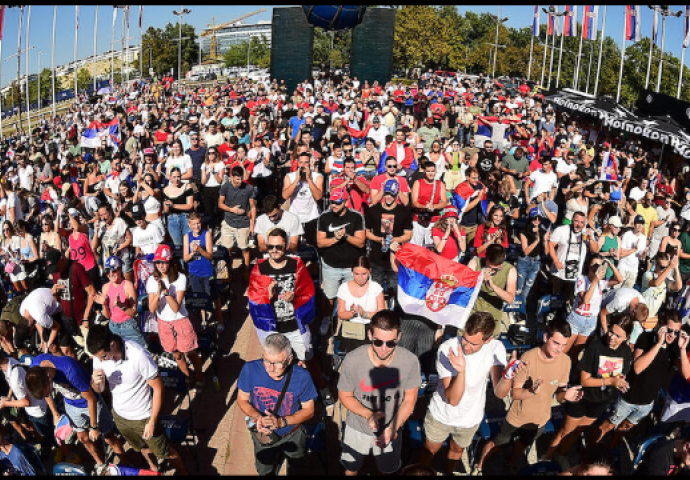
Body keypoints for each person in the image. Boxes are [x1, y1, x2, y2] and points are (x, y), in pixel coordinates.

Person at [474, 318, 584, 475]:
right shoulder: (528, 358)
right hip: (517, 416)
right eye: (556, 343)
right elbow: (514, 393)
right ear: (546, 337)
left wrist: (566, 396)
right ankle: (480, 466)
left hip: (540, 420)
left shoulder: (565, 361)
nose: (559, 349)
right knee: (497, 443)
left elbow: (559, 396)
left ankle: (511, 464)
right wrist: (530, 391)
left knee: (521, 445)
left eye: (564, 345)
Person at [419, 312, 512, 475]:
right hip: (441, 414)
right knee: (429, 452)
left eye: (473, 344)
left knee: (456, 451)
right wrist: (461, 372)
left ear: (488, 340)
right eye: (465, 339)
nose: (466, 346)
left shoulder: (496, 348)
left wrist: (508, 376)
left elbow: (500, 393)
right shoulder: (447, 349)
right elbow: (452, 399)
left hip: (469, 417)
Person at [87, 325, 187, 475]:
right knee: (142, 448)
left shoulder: (137, 355)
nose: (101, 360)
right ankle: (154, 469)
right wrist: (95, 383)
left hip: (143, 417)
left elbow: (159, 388)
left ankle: (183, 472)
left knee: (166, 452)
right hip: (120, 416)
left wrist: (152, 421)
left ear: (112, 345)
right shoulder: (98, 357)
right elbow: (100, 390)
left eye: (103, 356)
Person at [543, 315, 634, 467]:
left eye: (618, 336)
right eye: (611, 331)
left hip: (601, 401)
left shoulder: (625, 352)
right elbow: (585, 380)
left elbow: (621, 374)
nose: (611, 337)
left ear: (627, 337)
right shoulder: (596, 345)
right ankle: (546, 458)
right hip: (582, 397)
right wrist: (610, 381)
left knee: (578, 431)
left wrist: (620, 382)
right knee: (565, 431)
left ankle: (561, 455)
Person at [338, 310, 420, 476]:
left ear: (398, 337)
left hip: (391, 427)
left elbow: (409, 400)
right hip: (357, 427)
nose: (383, 349)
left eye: (390, 343)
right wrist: (368, 414)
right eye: (378, 342)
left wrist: (393, 427)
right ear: (370, 334)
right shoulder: (353, 360)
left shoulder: (410, 361)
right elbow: (344, 396)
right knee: (351, 468)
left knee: (387, 469)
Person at [589, 310, 682, 451]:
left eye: (676, 332)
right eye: (669, 330)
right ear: (662, 325)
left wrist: (682, 348)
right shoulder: (646, 338)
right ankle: (589, 452)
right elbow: (637, 368)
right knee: (607, 426)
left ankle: (609, 451)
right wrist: (658, 345)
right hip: (629, 398)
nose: (672, 335)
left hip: (647, 403)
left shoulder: (675, 348)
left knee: (623, 429)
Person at [25, 354, 126, 471]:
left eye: (48, 391)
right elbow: (46, 394)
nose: (49, 395)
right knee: (83, 438)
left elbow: (91, 399)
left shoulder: (70, 371)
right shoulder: (35, 370)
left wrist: (93, 427)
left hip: (89, 402)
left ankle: (126, 464)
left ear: (48, 377)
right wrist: (55, 413)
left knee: (109, 437)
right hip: (70, 404)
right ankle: (100, 464)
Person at [237, 333, 317, 476]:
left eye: (277, 363)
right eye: (266, 361)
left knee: (296, 468)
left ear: (289, 359)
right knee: (264, 470)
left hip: (292, 433)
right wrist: (258, 417)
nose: (270, 368)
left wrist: (281, 422)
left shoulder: (302, 376)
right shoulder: (250, 369)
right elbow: (242, 400)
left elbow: (309, 410)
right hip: (263, 434)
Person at [146, 244, 204, 389]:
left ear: (170, 262)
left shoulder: (180, 278)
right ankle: (187, 377)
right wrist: (159, 292)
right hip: (164, 322)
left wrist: (166, 292)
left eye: (164, 262)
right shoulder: (151, 281)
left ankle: (200, 376)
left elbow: (176, 307)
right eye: (158, 262)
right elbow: (152, 308)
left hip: (180, 320)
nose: (160, 266)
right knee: (177, 354)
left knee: (190, 352)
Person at [564, 255, 622, 360]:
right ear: (588, 266)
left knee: (576, 351)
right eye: (594, 265)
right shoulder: (581, 279)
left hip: (591, 320)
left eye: (599, 265)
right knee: (564, 348)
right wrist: (594, 281)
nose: (597, 267)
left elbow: (619, 280)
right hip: (577, 318)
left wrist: (611, 265)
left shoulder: (602, 282)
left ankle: (569, 371)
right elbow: (585, 300)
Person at [316, 188, 366, 309]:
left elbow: (361, 243)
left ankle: (347, 323)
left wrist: (346, 236)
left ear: (346, 202)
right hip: (330, 266)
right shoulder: (324, 217)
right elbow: (320, 243)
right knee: (329, 297)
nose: (334, 205)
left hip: (351, 267)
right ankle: (327, 321)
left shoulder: (356, 217)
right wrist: (335, 239)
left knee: (351, 298)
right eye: (332, 202)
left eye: (338, 202)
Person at [365, 179, 413, 293]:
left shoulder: (404, 212)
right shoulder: (373, 211)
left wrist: (394, 239)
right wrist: (379, 239)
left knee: (395, 293)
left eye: (391, 194)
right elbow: (366, 233)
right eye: (386, 194)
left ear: (397, 194)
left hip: (396, 259)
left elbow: (408, 235)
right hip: (377, 258)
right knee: (376, 293)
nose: (388, 197)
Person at [336, 256, 386, 353]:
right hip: (351, 328)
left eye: (364, 274)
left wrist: (365, 314)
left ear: (369, 271)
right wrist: (351, 313)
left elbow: (381, 314)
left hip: (370, 327)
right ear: (352, 272)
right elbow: (341, 313)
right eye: (356, 274)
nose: (360, 278)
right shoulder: (344, 288)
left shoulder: (376, 288)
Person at [94, 256, 147, 347]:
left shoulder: (127, 285)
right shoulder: (105, 287)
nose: (111, 274)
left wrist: (121, 306)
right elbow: (108, 316)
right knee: (121, 356)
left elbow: (133, 312)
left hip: (128, 325)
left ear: (120, 270)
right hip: (113, 326)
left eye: (113, 270)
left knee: (142, 351)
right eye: (107, 272)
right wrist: (104, 305)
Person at [467, 244, 517, 337]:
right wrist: (479, 278)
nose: (493, 270)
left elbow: (510, 299)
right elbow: (464, 288)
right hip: (474, 313)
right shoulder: (475, 263)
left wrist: (493, 285)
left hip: (492, 317)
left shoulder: (510, 270)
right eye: (490, 267)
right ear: (486, 259)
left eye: (497, 268)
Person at [548, 211, 597, 304]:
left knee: (568, 300)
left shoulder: (586, 233)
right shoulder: (561, 230)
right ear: (571, 221)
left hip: (575, 273)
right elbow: (550, 245)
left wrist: (591, 238)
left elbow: (595, 250)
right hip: (559, 272)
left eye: (582, 222)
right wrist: (556, 261)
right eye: (576, 221)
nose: (578, 225)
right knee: (555, 300)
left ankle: (563, 316)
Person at [410, 161, 447, 248]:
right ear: (424, 172)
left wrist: (433, 207)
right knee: (416, 246)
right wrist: (425, 207)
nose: (431, 173)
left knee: (430, 247)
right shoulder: (418, 183)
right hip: (419, 219)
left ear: (435, 171)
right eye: (428, 171)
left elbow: (444, 202)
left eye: (432, 171)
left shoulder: (440, 184)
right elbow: (414, 202)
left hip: (434, 219)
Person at [282, 152, 324, 225]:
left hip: (312, 217)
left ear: (309, 164)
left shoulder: (317, 177)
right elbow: (285, 196)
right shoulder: (289, 176)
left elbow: (318, 197)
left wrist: (309, 179)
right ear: (298, 163)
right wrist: (297, 179)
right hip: (294, 216)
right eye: (301, 162)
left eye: (306, 162)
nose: (303, 165)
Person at [618, 215, 648, 289]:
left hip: (633, 269)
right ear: (634, 224)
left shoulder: (643, 238)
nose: (640, 225)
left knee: (626, 293)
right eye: (638, 223)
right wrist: (634, 249)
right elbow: (621, 252)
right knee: (616, 288)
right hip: (623, 266)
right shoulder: (627, 234)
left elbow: (641, 257)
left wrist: (644, 253)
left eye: (642, 223)